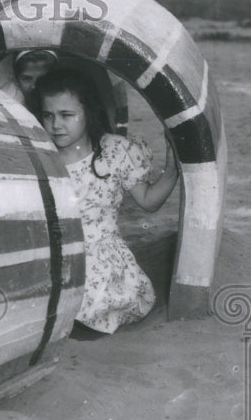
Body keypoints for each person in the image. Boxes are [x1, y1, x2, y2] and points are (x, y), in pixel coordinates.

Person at [27, 69, 179, 335]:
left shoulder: (114, 152)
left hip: (101, 260)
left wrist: (172, 168)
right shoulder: (42, 155)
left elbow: (148, 201)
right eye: (48, 115)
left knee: (90, 309)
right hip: (55, 254)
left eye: (66, 115)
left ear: (89, 112)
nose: (55, 125)